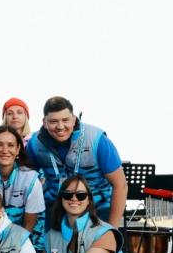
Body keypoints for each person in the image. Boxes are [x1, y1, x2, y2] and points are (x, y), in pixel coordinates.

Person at [26, 96, 127, 227]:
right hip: (55, 207)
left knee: (101, 239)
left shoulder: (97, 140)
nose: (60, 126)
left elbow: (120, 185)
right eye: (53, 121)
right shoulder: (34, 143)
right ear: (44, 122)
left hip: (97, 207)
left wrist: (113, 230)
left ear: (74, 120)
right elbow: (27, 181)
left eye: (65, 120)